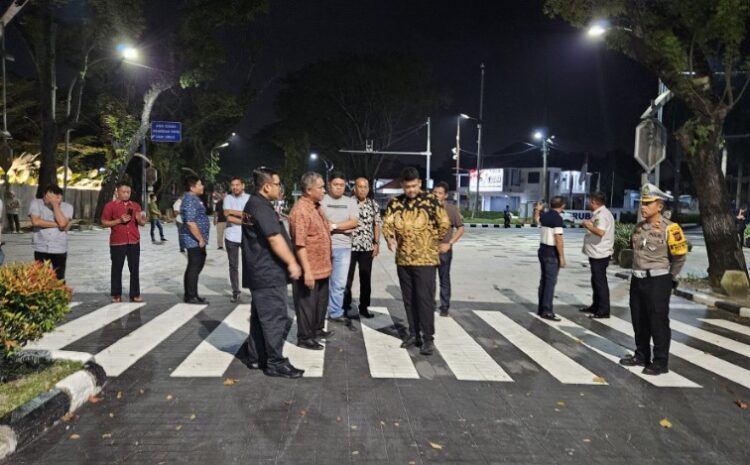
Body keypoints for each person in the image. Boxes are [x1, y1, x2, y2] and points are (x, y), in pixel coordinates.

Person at [241, 167, 304, 379]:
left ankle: (256, 357)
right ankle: (275, 362)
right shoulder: (260, 206)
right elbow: (274, 238)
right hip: (268, 272)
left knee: (261, 318)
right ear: (266, 186)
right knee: (276, 318)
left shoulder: (255, 204)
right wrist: (292, 262)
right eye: (277, 184)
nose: (280, 187)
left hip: (259, 272)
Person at [619, 183, 687, 376]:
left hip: (658, 280)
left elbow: (680, 256)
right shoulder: (640, 228)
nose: (643, 207)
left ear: (659, 206)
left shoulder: (671, 228)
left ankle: (660, 361)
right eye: (642, 203)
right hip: (638, 279)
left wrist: (670, 278)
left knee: (658, 321)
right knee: (639, 319)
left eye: (648, 203)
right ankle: (641, 354)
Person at [383, 167, 450, 356]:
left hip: (426, 260)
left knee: (425, 299)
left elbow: (444, 224)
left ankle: (428, 338)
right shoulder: (396, 203)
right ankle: (413, 334)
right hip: (403, 260)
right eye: (407, 187)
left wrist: (431, 240)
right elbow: (387, 224)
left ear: (419, 183)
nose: (411, 190)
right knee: (409, 299)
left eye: (414, 186)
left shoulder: (431, 201)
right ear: (402, 186)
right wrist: (389, 238)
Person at [289, 172, 335, 350]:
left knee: (320, 302)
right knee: (307, 304)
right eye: (321, 187)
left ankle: (316, 329)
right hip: (310, 268)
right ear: (308, 190)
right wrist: (306, 271)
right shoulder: (301, 211)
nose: (324, 190)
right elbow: (300, 244)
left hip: (322, 267)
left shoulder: (316, 207)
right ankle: (305, 337)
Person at [320, 172, 359, 331]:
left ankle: (335, 312)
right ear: (329, 185)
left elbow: (354, 223)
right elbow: (320, 222)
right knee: (322, 282)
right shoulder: (322, 200)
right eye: (336, 184)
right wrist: (345, 227)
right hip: (323, 246)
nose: (339, 187)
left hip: (343, 248)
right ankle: (321, 311)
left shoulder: (350, 202)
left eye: (342, 185)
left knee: (339, 283)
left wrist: (334, 226)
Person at [101, 182, 147, 303]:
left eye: (128, 192)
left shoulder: (136, 205)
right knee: (116, 268)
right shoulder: (110, 206)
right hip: (117, 242)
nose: (126, 194)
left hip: (133, 241)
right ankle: (116, 294)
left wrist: (140, 220)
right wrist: (119, 221)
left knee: (134, 269)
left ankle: (135, 294)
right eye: (124, 192)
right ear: (117, 192)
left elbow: (142, 223)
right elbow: (104, 222)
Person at [343, 177, 381, 320]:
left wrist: (376, 243)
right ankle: (345, 306)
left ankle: (364, 307)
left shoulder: (373, 205)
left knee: (366, 279)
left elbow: (377, 224)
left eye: (365, 187)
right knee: (348, 278)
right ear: (354, 188)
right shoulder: (348, 203)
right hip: (350, 247)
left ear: (369, 188)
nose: (363, 189)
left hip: (367, 248)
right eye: (360, 186)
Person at [579, 192, 615, 319]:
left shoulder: (602, 215)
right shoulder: (601, 214)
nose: (588, 203)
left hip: (600, 253)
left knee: (600, 282)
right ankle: (596, 305)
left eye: (590, 201)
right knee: (595, 280)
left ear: (594, 202)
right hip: (596, 252)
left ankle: (603, 310)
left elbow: (600, 232)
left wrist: (587, 225)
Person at [432, 181, 464, 317]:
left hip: (445, 250)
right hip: (429, 251)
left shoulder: (451, 209)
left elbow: (461, 228)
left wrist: (450, 243)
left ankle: (444, 306)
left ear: (445, 195)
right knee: (428, 280)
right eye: (434, 193)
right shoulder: (427, 209)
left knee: (444, 279)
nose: (436, 196)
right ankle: (429, 304)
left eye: (439, 193)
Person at [29, 185, 74, 280]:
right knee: (41, 277)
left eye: (52, 197)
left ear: (59, 197)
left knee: (59, 278)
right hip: (41, 247)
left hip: (59, 247)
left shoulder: (68, 207)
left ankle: (60, 294)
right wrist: (59, 225)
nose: (48, 199)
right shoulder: (36, 203)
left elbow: (62, 222)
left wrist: (55, 205)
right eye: (47, 196)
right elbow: (36, 222)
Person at [180, 175, 210, 304]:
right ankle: (190, 296)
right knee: (194, 266)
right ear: (192, 187)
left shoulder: (194, 198)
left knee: (195, 265)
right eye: (199, 184)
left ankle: (192, 294)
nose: (202, 186)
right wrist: (200, 239)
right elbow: (190, 222)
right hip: (194, 240)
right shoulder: (190, 200)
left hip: (196, 240)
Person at [537, 196, 567, 321]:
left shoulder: (545, 215)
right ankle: (547, 311)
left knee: (544, 281)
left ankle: (541, 308)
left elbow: (536, 220)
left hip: (542, 250)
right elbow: (558, 239)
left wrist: (538, 210)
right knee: (550, 282)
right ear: (563, 205)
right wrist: (562, 257)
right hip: (551, 252)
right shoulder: (557, 218)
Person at [223, 177, 250, 303]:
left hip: (246, 237)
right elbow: (228, 217)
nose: (235, 187)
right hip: (231, 237)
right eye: (233, 185)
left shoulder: (249, 198)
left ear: (243, 186)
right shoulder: (228, 198)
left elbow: (251, 217)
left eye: (237, 185)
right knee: (233, 266)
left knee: (250, 264)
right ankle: (235, 292)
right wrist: (244, 217)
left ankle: (253, 290)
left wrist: (233, 212)